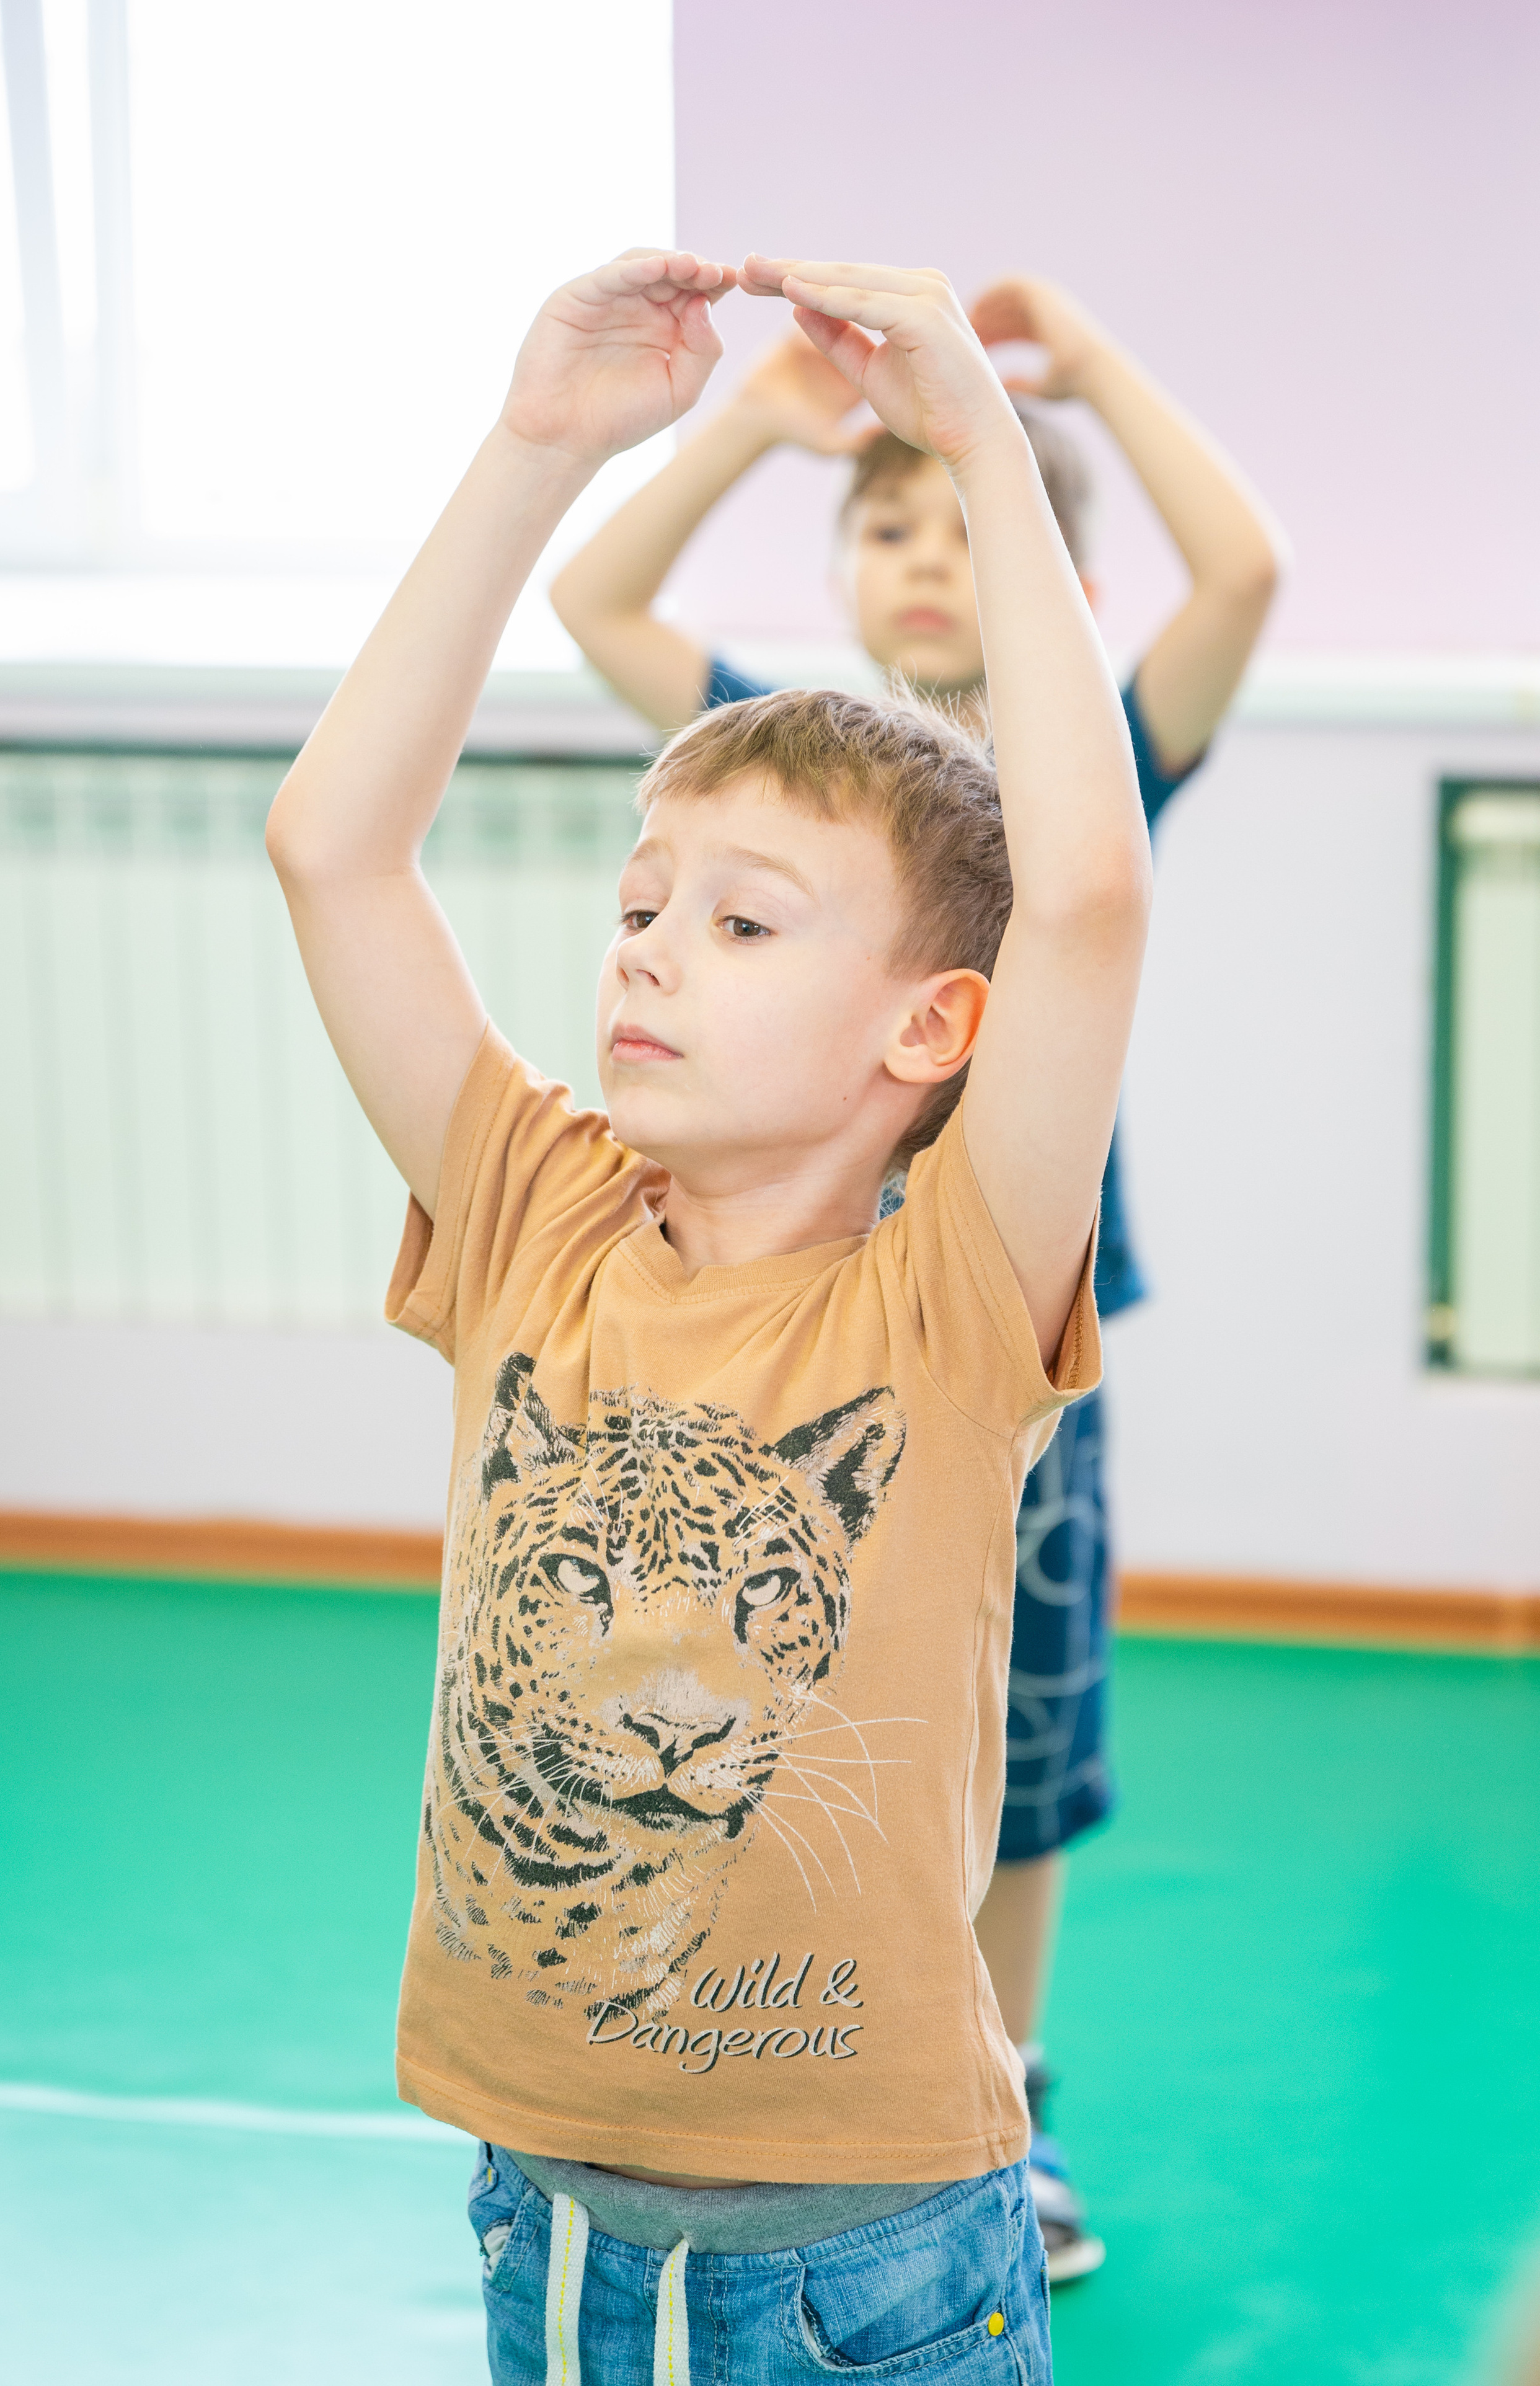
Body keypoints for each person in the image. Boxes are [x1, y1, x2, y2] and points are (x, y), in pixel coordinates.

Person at [267, 242, 1152, 2383]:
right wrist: (534, 452)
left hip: (871, 2264)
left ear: (932, 1027)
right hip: (540, 2215)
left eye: (744, 921)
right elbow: (332, 851)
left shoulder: (946, 1296)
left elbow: (1093, 899)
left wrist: (976, 447)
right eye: (642, 904)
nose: (649, 953)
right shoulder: (532, 1212)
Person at [552, 272, 1287, 2280]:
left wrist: (1067, 387)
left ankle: (1006, 2087)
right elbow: (598, 607)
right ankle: (779, 2051)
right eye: (885, 526)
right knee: (794, 1696)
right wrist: (756, 422)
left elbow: (1243, 576)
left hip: (1007, 1352)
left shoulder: (1082, 767)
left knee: (1022, 1725)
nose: (924, 561)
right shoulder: (809, 785)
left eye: (963, 528)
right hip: (797, 1346)